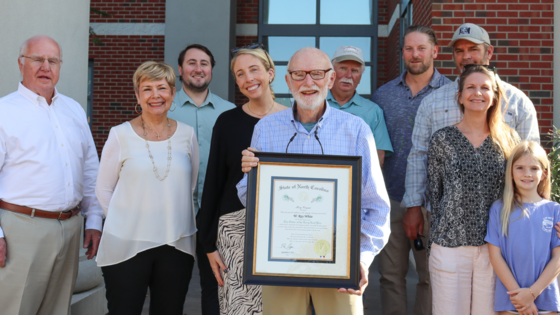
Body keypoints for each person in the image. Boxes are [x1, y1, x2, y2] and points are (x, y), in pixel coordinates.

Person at [238, 47, 391, 315]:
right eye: (299, 74)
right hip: (280, 263)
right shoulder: (266, 128)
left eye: (317, 74)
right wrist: (251, 177)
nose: (308, 82)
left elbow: (376, 206)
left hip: (340, 266)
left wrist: (361, 259)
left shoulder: (356, 130)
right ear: (287, 81)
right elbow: (249, 199)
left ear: (330, 79)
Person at [403, 23, 540, 259]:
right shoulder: (433, 102)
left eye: (473, 49)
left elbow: (532, 162)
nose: (466, 56)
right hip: (446, 224)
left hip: (503, 220)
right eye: (459, 50)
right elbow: (419, 156)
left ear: (489, 53)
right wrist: (414, 206)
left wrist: (536, 211)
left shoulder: (518, 103)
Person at [0, 35, 104, 315]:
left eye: (53, 61)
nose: (46, 66)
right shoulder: (3, 111)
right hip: (20, 230)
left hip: (70, 229)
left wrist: (93, 219)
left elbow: (90, 168)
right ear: (21, 64)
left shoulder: (73, 109)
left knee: (58, 310)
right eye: (37, 59)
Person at [95, 61, 199, 314]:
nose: (155, 96)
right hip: (127, 244)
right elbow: (103, 190)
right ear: (137, 96)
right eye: (147, 89)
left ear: (173, 93)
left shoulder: (188, 134)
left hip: (176, 243)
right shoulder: (119, 134)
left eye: (162, 88)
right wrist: (128, 222)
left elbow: (190, 186)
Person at [198, 44, 286, 315]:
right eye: (240, 74)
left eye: (254, 70)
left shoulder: (292, 120)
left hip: (284, 228)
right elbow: (214, 183)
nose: (248, 79)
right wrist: (209, 244)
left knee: (281, 307)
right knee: (239, 308)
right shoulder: (227, 122)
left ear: (270, 73)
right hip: (234, 230)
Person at [427, 65, 519, 314]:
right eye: (470, 87)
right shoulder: (442, 139)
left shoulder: (510, 141)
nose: (477, 93)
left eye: (485, 88)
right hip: (449, 246)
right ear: (459, 95)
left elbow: (522, 191)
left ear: (495, 96)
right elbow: (435, 195)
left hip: (495, 248)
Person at [372, 25, 451, 315]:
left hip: (434, 203)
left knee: (430, 278)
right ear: (402, 52)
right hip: (391, 199)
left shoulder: (451, 93)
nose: (415, 54)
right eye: (409, 48)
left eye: (421, 48)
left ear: (434, 51)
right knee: (391, 277)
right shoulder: (383, 95)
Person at [167, 43, 235, 315]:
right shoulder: (164, 109)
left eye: (204, 63)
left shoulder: (229, 112)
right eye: (192, 63)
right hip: (174, 213)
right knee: (170, 287)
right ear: (180, 69)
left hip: (217, 214)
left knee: (217, 285)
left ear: (211, 70)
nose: (198, 68)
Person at [486, 141, 560, 315]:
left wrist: (533, 292)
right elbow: (495, 255)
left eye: (534, 168)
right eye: (520, 168)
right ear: (511, 172)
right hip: (511, 301)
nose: (527, 174)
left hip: (546, 300)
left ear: (544, 174)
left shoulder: (555, 210)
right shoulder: (499, 209)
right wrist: (520, 298)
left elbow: (558, 258)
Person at [327, 45, 393, 166]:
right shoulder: (316, 105)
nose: (348, 75)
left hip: (357, 181)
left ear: (360, 77)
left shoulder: (373, 111)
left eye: (355, 71)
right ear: (332, 73)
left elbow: (378, 156)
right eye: (343, 68)